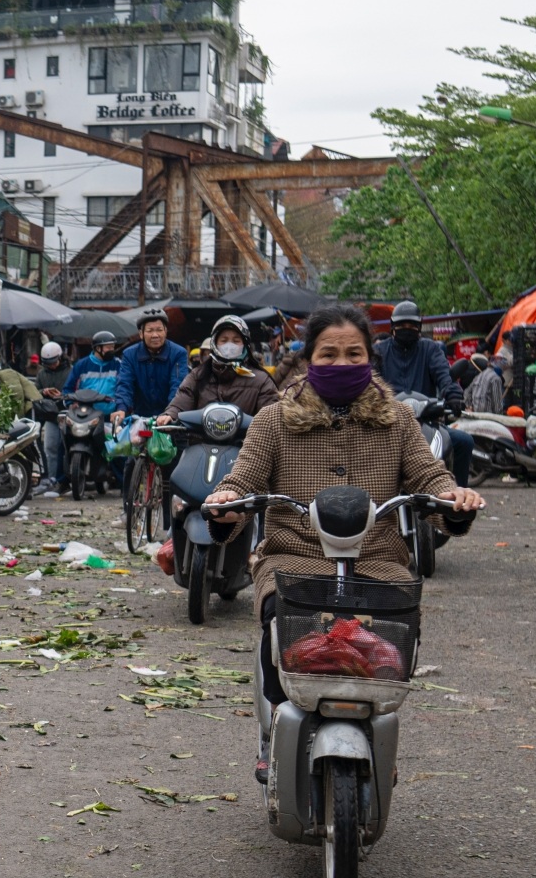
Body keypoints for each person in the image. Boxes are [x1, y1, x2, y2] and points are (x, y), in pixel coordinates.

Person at [203, 304, 485, 778]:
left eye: (354, 353)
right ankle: (276, 723)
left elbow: (429, 475)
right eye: (328, 353)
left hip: (378, 561)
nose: (341, 363)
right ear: (309, 358)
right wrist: (228, 499)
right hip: (293, 557)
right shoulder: (274, 419)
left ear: (370, 360)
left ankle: (375, 724)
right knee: (279, 620)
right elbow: (245, 476)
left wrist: (452, 498)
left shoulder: (396, 420)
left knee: (390, 638)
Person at [373, 300, 474, 487]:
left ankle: (456, 501)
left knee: (464, 442)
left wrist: (453, 395)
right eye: (402, 325)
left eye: (411, 325)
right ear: (393, 327)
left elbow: (445, 376)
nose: (407, 328)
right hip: (386, 422)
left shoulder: (430, 349)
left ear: (419, 327)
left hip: (426, 422)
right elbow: (370, 381)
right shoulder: (379, 351)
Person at [159, 314, 279, 420]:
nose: (229, 345)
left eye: (236, 341)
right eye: (224, 340)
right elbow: (184, 398)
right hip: (202, 443)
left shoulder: (261, 380)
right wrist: (171, 414)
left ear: (245, 344)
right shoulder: (198, 375)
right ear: (215, 343)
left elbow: (270, 415)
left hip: (246, 444)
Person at [110, 308, 190, 427]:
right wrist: (121, 408)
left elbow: (178, 385)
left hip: (170, 419)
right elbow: (125, 384)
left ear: (165, 331)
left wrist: (170, 412)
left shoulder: (178, 353)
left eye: (159, 330)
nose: (155, 335)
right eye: (150, 330)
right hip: (140, 418)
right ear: (141, 334)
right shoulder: (130, 355)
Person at [33, 341, 68, 496]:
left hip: (67, 413)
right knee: (50, 448)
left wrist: (62, 395)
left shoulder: (69, 371)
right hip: (50, 415)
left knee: (65, 448)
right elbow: (35, 390)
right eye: (48, 363)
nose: (51, 366)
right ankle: (52, 479)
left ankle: (65, 479)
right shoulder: (42, 374)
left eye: (53, 362)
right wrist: (44, 391)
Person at [64, 329, 122, 397]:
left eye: (113, 347)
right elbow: (68, 388)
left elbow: (124, 387)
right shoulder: (81, 365)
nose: (112, 350)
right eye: (108, 347)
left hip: (112, 407)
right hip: (85, 406)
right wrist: (71, 403)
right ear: (98, 348)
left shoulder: (118, 364)